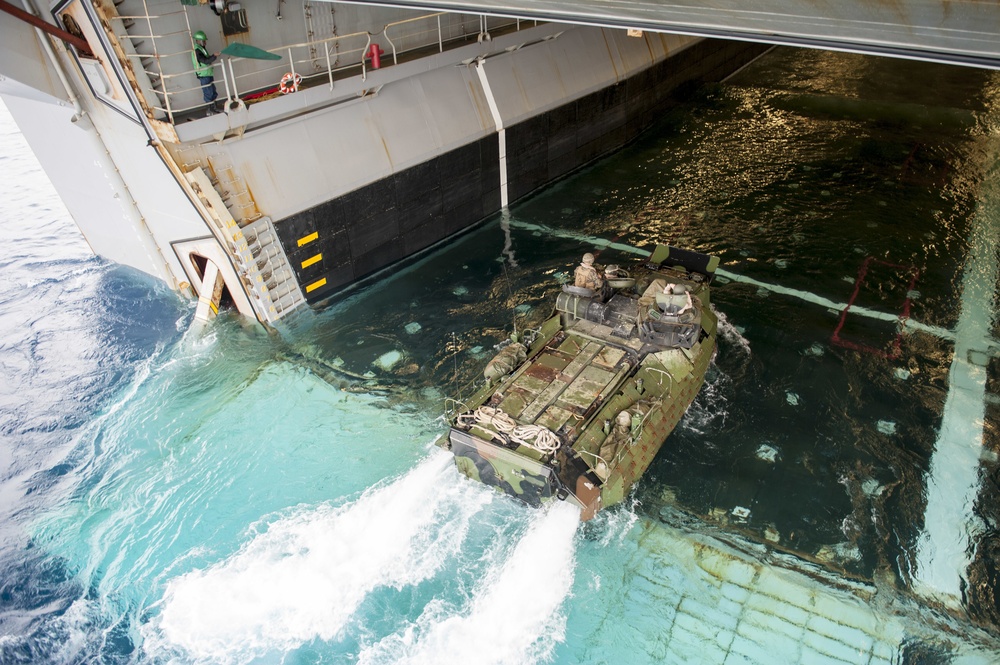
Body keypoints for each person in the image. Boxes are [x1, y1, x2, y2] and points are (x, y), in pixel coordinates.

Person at [191, 30, 219, 114]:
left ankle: (213, 108)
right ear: (199, 41)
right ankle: (210, 110)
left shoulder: (201, 49)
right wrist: (214, 56)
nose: (205, 42)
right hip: (204, 75)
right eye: (204, 41)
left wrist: (213, 56)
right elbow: (205, 61)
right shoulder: (197, 50)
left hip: (207, 74)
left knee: (212, 91)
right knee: (208, 92)